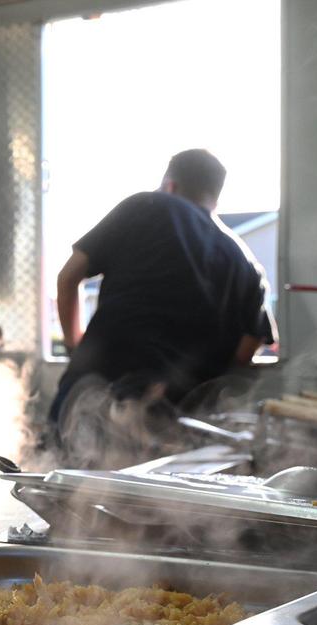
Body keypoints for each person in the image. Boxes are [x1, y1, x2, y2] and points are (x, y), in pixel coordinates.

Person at [51, 149, 276, 438]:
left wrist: (75, 346)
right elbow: (250, 343)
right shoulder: (245, 263)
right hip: (174, 419)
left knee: (61, 471)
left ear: (170, 184)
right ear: (216, 197)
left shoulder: (145, 205)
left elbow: (68, 276)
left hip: (95, 394)